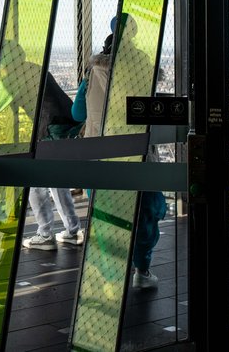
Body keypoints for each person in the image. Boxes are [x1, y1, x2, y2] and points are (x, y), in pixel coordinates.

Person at [73, 18, 165, 289]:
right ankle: (142, 271)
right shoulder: (143, 68)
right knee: (145, 213)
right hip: (137, 155)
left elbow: (78, 113)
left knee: (106, 215)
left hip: (99, 156)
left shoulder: (93, 72)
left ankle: (110, 274)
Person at [0, 40, 85, 250]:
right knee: (57, 181)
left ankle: (45, 233)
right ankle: (72, 230)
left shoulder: (13, 78)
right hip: (65, 126)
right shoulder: (35, 68)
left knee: (35, 183)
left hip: (48, 131)